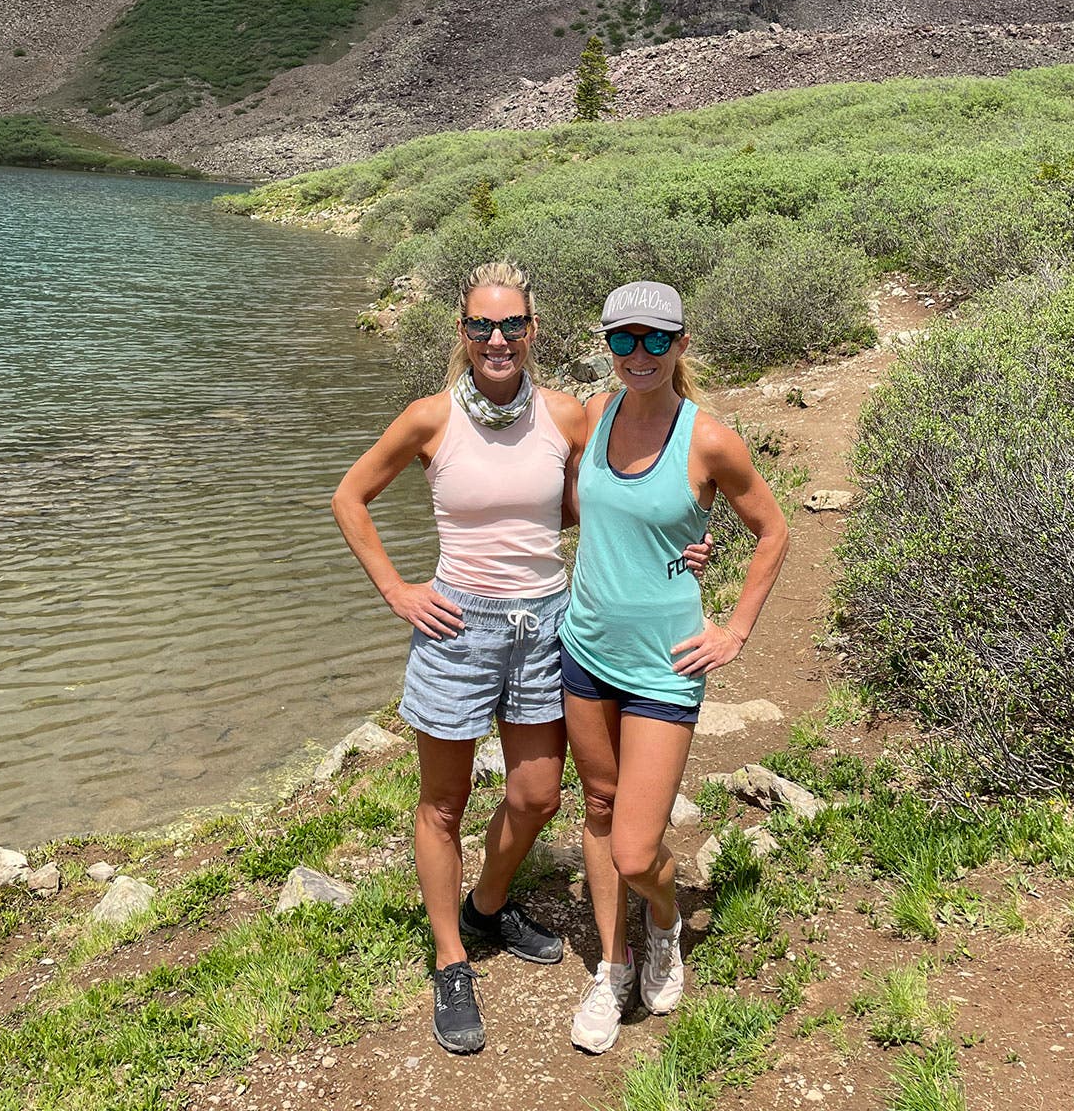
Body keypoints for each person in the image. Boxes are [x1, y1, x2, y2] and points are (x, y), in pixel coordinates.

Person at [330, 261, 709, 1057]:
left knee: (538, 796)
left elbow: (603, 501)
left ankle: (486, 903)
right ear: (463, 335)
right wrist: (399, 591)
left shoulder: (567, 415)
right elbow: (348, 496)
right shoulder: (428, 419)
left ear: (533, 331)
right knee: (443, 804)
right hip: (456, 627)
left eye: (511, 326)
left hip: (546, 625)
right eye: (481, 326)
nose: (497, 339)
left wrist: (681, 544)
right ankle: (451, 958)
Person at [560, 280, 790, 1054]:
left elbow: (773, 530)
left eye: (655, 339)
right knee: (597, 807)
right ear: (606, 346)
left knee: (634, 847)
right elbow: (569, 499)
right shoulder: (593, 415)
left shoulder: (710, 439)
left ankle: (664, 918)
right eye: (623, 339)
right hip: (584, 650)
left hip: (664, 664)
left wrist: (735, 631)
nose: (638, 354)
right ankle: (612, 969)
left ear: (681, 344)